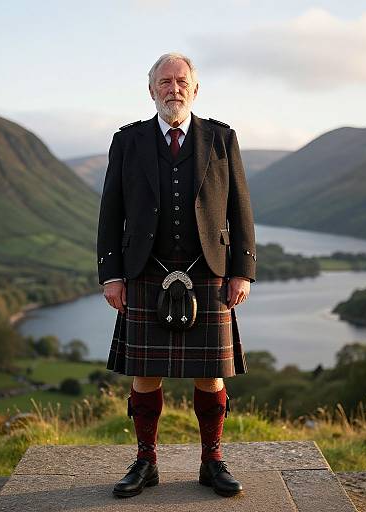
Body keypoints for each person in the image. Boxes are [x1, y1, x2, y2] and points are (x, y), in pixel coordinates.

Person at [96, 52, 256, 499]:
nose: (174, 88)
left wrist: (241, 269)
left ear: (195, 88)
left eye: (181, 81)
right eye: (164, 81)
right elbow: (111, 211)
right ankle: (146, 461)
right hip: (145, 269)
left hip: (209, 272)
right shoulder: (128, 141)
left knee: (211, 374)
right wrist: (112, 274)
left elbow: (240, 207)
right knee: (145, 372)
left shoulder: (221, 139)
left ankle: (212, 461)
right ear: (152, 90)